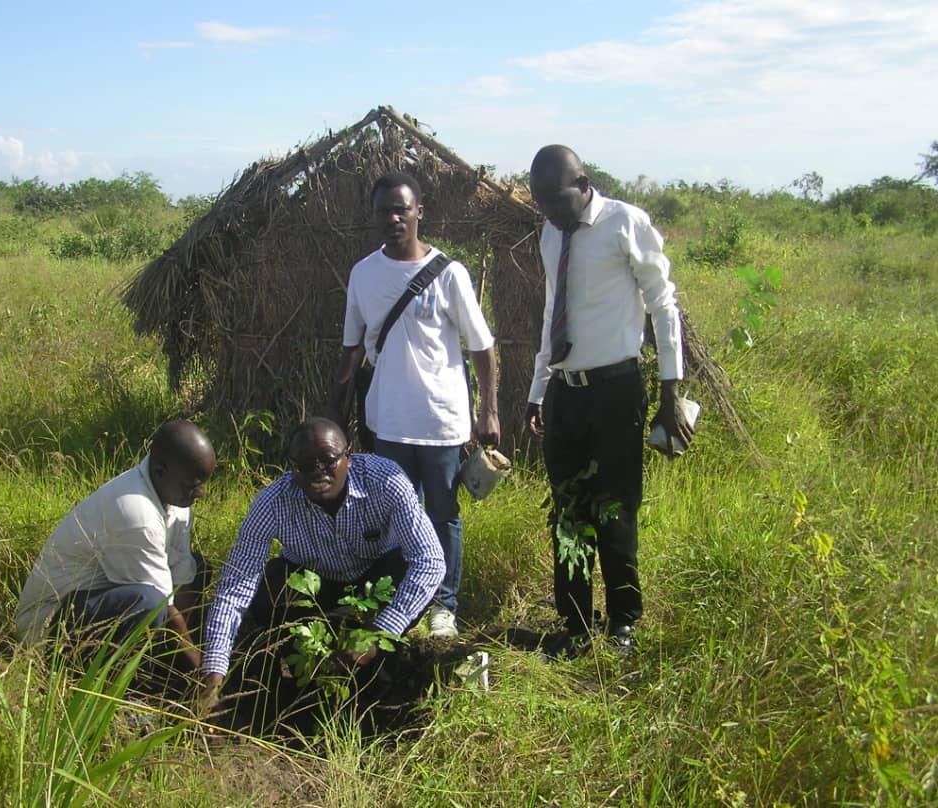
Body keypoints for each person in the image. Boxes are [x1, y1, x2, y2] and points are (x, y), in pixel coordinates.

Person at [524, 145, 693, 658]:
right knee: (569, 513)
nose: (551, 213)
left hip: (617, 392)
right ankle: (575, 626)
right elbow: (554, 311)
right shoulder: (552, 233)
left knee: (615, 511)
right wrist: (537, 392)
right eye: (542, 204)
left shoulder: (626, 223)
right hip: (565, 394)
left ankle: (623, 623)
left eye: (557, 200)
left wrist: (670, 392)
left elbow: (663, 306)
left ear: (584, 182)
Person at [328, 172, 500, 639]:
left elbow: (482, 347)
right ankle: (402, 599)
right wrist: (335, 418)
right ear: (375, 216)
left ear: (420, 211)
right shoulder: (363, 274)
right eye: (384, 210)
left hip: (442, 421)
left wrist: (489, 410)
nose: (394, 218)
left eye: (402, 209)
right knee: (393, 515)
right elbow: (351, 351)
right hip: (388, 421)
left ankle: (444, 605)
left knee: (442, 514)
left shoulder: (449, 274)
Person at [198, 417, 445, 710]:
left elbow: (429, 561)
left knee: (404, 568)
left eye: (328, 461)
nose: (317, 472)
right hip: (315, 590)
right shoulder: (273, 502)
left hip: (375, 586)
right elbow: (234, 588)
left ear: (348, 457)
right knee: (272, 585)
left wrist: (379, 632)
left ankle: (382, 675)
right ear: (292, 466)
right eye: (304, 465)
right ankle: (294, 681)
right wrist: (212, 676)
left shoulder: (385, 481)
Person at [14, 420, 217, 677]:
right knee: (150, 605)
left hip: (102, 597)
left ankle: (159, 666)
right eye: (192, 486)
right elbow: (163, 607)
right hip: (49, 627)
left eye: (203, 483)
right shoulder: (135, 515)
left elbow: (182, 576)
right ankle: (112, 680)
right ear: (160, 471)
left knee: (198, 568)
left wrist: (180, 652)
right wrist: (202, 675)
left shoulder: (176, 498)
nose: (201, 494)